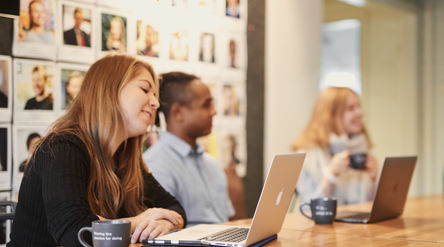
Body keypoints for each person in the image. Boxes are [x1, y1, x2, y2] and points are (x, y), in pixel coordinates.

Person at [8, 54, 186, 247]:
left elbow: (175, 209)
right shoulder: (62, 148)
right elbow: (75, 233)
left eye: (155, 95)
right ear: (109, 90)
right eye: (144, 89)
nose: (155, 103)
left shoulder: (123, 157)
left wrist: (162, 224)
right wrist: (139, 222)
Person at [143, 72, 234, 226]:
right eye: (206, 105)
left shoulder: (211, 164)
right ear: (178, 113)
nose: (214, 111)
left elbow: (228, 221)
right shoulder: (155, 164)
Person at [292, 87, 379, 206]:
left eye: (358, 106)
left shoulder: (361, 148)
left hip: (358, 223)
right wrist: (331, 176)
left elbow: (369, 207)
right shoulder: (307, 155)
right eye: (351, 108)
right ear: (330, 115)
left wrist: (374, 179)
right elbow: (308, 208)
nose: (360, 113)